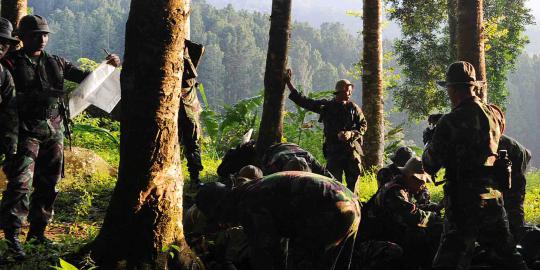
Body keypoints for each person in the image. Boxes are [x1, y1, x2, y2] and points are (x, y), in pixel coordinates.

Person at [0, 15, 121, 257]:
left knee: (50, 184)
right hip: (25, 132)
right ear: (22, 38)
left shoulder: (56, 62)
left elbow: (87, 77)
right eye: (36, 35)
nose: (42, 39)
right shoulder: (10, 63)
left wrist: (108, 65)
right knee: (20, 185)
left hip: (54, 132)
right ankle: (12, 236)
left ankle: (38, 233)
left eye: (45, 35)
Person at [423, 61, 528, 270]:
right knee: (508, 254)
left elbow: (430, 164)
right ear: (474, 87)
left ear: (452, 89)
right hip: (492, 197)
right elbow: (474, 128)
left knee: (449, 261)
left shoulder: (449, 123)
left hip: (464, 202)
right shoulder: (492, 116)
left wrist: (431, 140)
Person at [196, 172, 361, 270]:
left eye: (219, 219)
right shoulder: (252, 188)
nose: (222, 224)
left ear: (221, 207)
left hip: (329, 210)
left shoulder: (248, 204)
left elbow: (266, 253)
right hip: (351, 202)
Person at [285, 69, 367, 191]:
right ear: (340, 91)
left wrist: (351, 134)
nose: (350, 93)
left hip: (351, 153)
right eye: (347, 90)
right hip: (334, 153)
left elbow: (363, 125)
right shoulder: (326, 107)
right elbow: (304, 101)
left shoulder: (354, 108)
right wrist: (288, 84)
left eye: (350, 91)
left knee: (353, 190)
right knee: (334, 187)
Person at [372, 157, 441, 270]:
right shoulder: (394, 191)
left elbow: (412, 208)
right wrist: (435, 218)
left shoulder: (403, 188)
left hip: (389, 234)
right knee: (417, 235)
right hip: (375, 240)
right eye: (422, 182)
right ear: (411, 177)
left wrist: (435, 207)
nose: (423, 186)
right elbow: (413, 217)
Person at [0, 18, 21, 258]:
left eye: (4, 43)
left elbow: (10, 111)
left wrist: (11, 145)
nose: (0, 46)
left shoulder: (4, 74)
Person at [180, 40, 205, 187]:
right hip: (184, 110)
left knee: (192, 143)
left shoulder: (188, 77)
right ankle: (195, 178)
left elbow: (199, 49)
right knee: (191, 143)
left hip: (190, 110)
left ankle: (195, 177)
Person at [498, 134, 532, 242]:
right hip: (502, 157)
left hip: (515, 157)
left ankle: (519, 239)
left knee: (513, 201)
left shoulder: (455, 131)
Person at [262, 142, 334, 178]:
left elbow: (329, 177)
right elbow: (264, 181)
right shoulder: (276, 164)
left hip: (295, 148)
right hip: (273, 150)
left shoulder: (309, 158)